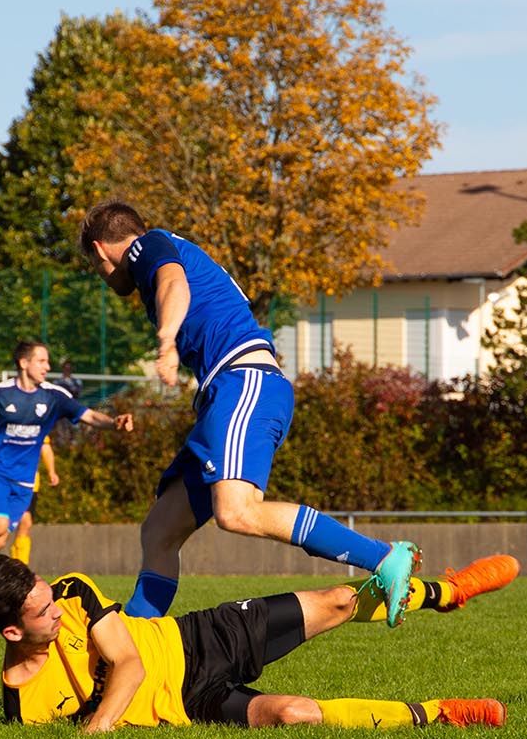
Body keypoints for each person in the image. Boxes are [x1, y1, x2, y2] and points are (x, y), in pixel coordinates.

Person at [79, 201, 419, 625]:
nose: (100, 275)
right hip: (224, 394)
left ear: (99, 249)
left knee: (236, 511)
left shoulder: (147, 245)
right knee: (160, 531)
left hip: (244, 381)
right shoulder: (163, 251)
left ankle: (383, 556)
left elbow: (174, 282)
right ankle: (135, 645)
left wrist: (166, 341)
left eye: (94, 265)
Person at [0, 552, 519, 732]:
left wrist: (96, 731)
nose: (58, 614)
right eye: (44, 614)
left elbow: (130, 665)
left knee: (338, 600)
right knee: (297, 715)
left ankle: (449, 590)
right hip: (192, 705)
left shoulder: (70, 591)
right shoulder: (23, 707)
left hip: (198, 639)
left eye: (50, 598)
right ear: (13, 632)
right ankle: (443, 713)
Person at [0, 341, 134, 601]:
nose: (48, 366)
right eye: (42, 361)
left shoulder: (54, 397)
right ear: (24, 363)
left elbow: (89, 416)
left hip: (24, 481)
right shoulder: (0, 393)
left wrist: (114, 423)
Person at [9, 436, 58, 566]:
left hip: (29, 484)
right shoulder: (9, 421)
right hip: (5, 480)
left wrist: (51, 472)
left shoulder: (39, 421)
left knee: (26, 522)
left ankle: (20, 566)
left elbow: (45, 448)